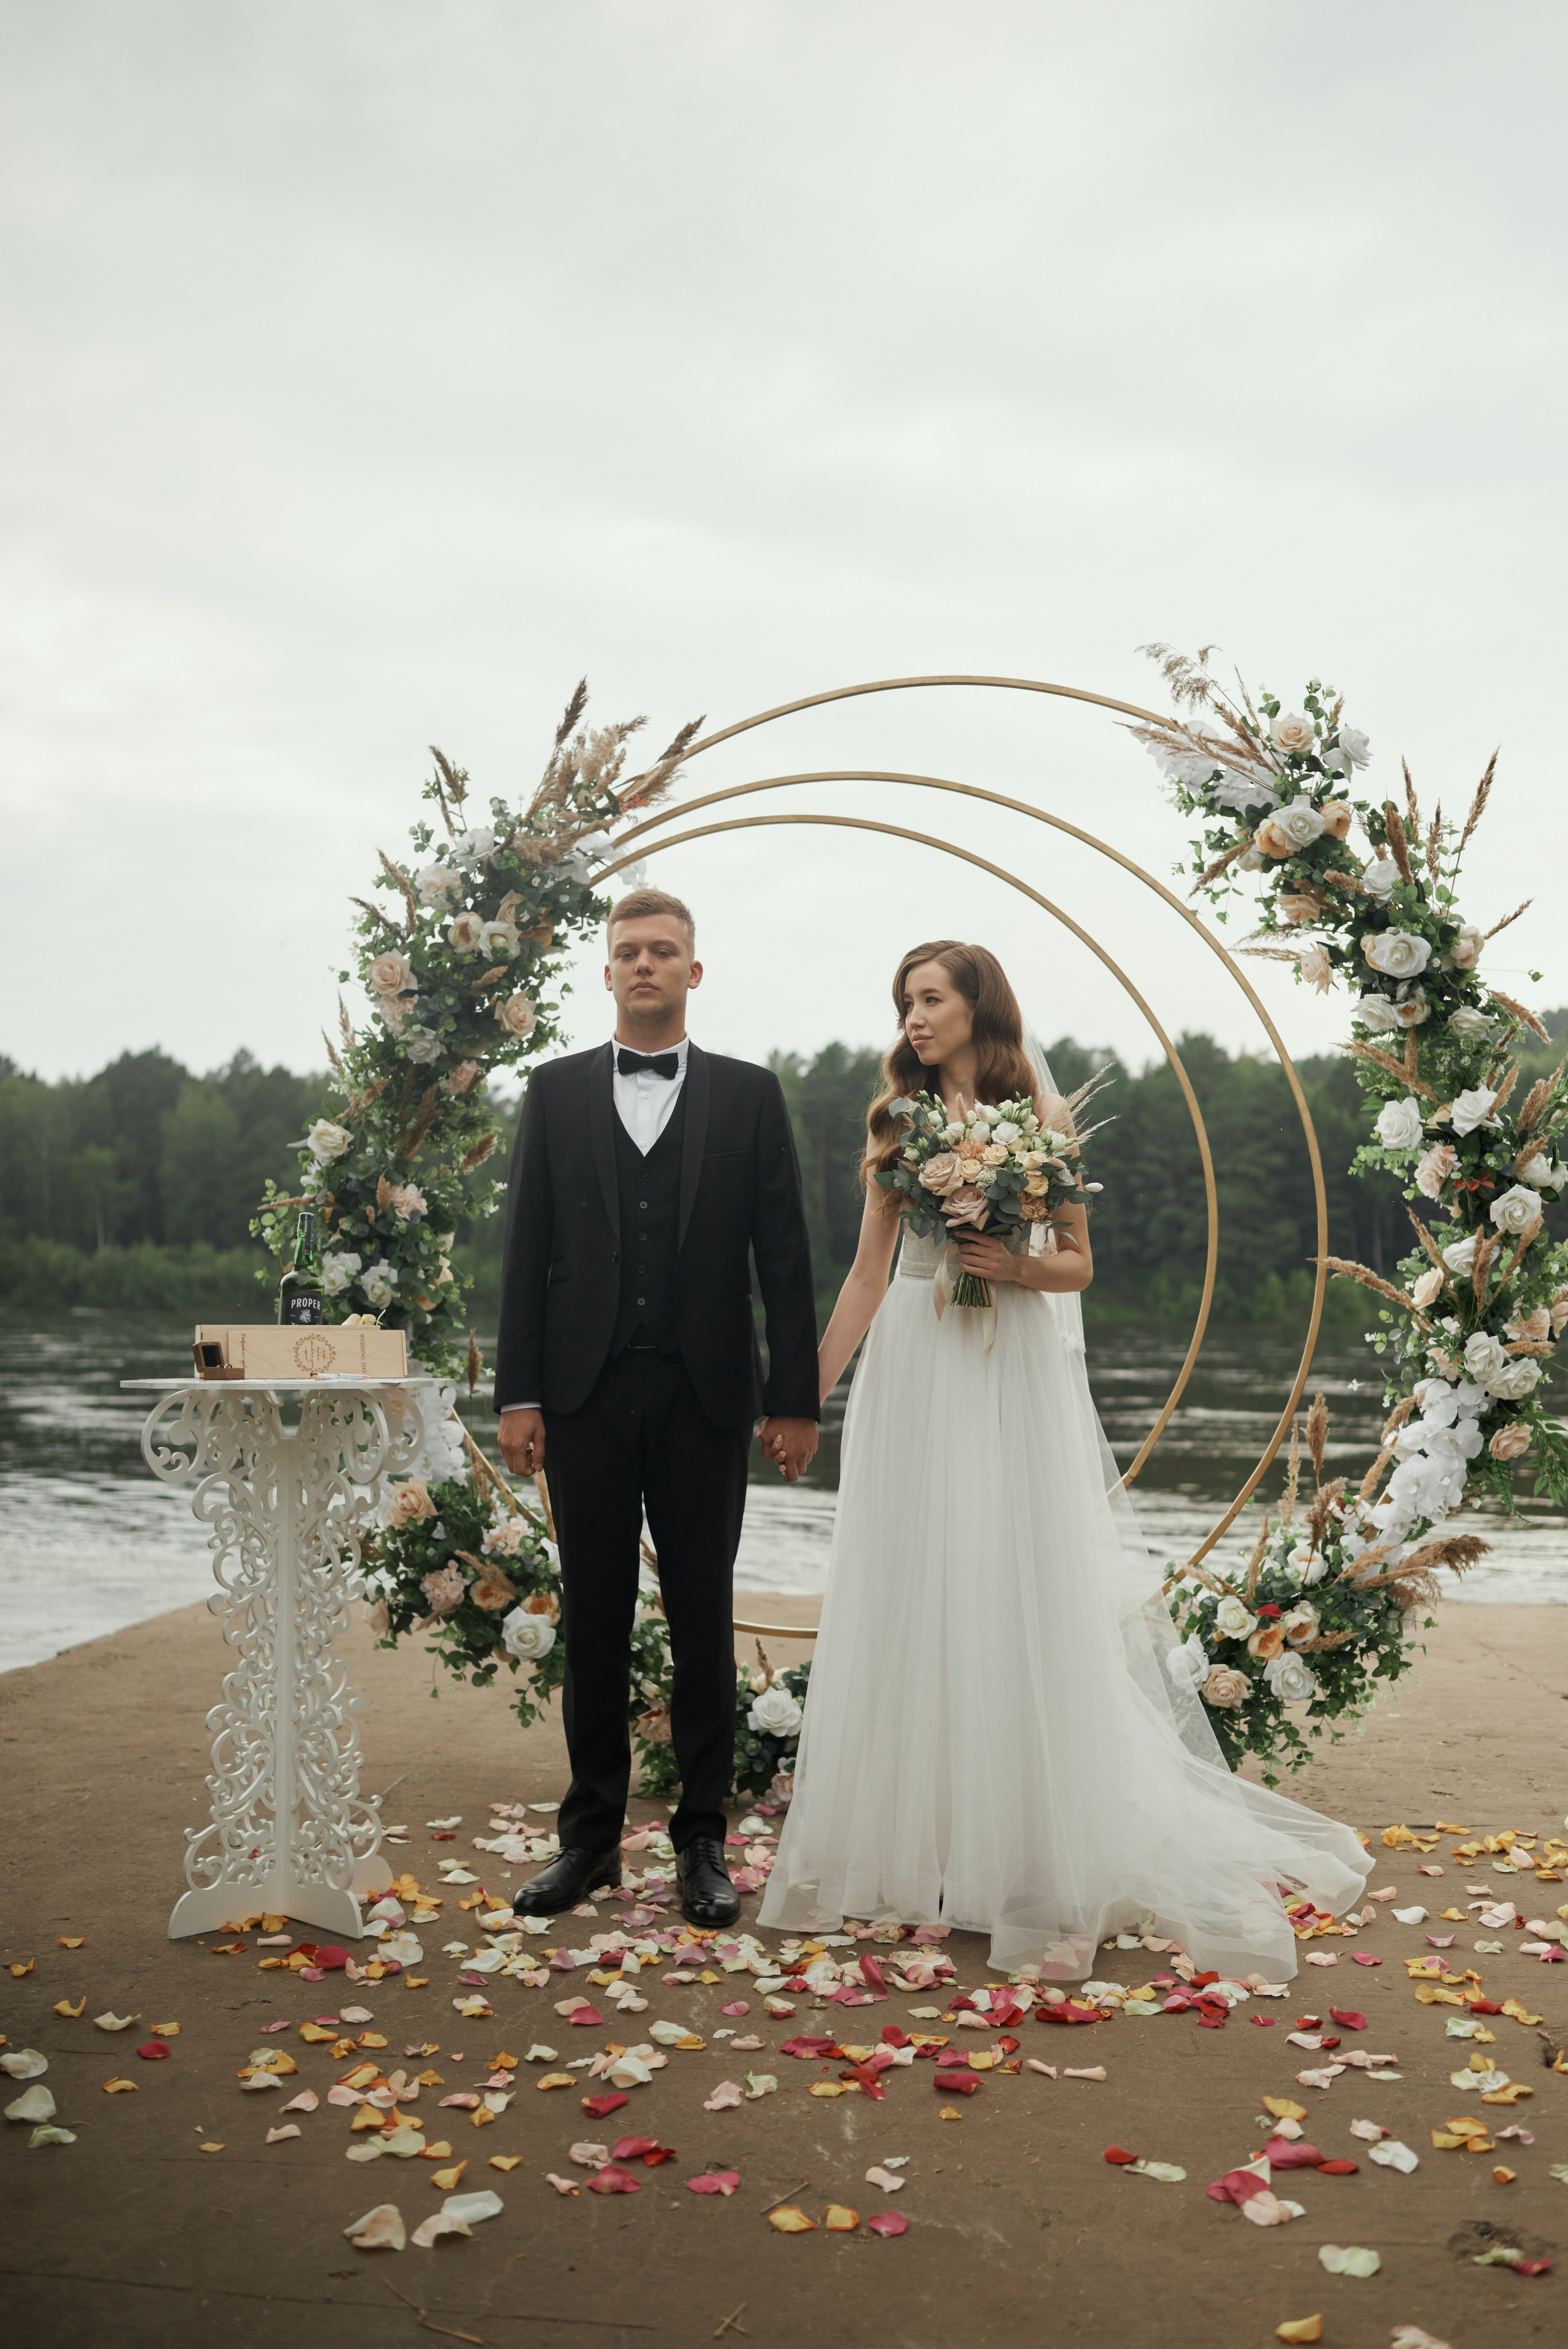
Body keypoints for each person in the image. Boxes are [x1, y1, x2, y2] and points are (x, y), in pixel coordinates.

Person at [759, 939, 1371, 1980]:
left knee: (1006, 1580)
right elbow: (867, 1274)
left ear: (977, 1006)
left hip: (1004, 1364)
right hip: (915, 1361)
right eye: (904, 1000)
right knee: (911, 1580)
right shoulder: (899, 1124)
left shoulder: (1040, 1122)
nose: (913, 1017)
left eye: (931, 999)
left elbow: (1081, 1263)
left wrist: (1014, 1266)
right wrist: (804, 1389)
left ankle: (1022, 1846)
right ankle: (923, 1842)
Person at [493, 888, 820, 1928]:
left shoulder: (751, 1096)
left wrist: (795, 1400)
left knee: (701, 1619)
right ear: (605, 972)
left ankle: (702, 1844)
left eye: (663, 951)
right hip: (584, 1397)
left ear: (694, 971)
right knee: (592, 1618)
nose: (644, 965)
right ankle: (588, 1840)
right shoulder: (551, 1093)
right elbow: (525, 1253)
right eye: (627, 952)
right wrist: (519, 1392)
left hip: (707, 1395)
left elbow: (786, 1258)